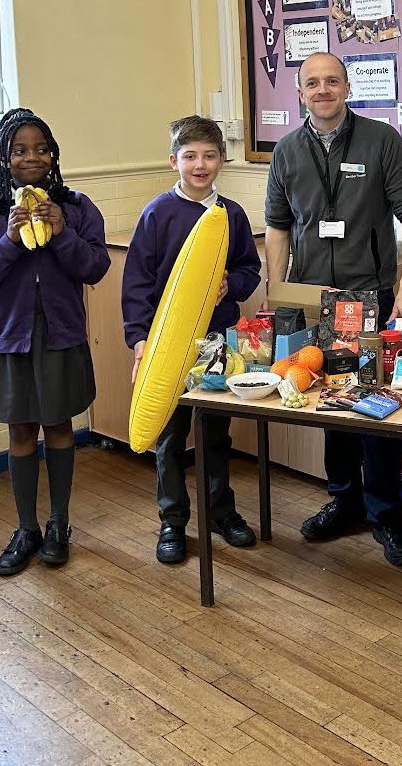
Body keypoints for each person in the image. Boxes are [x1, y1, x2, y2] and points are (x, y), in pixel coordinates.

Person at [264, 52, 402, 566]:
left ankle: (385, 514)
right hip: (316, 298)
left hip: (371, 294)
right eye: (312, 83)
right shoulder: (287, 150)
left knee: (376, 402)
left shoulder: (382, 140)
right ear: (299, 92)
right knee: (331, 398)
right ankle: (344, 501)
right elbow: (277, 225)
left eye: (332, 81)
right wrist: (279, 291)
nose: (323, 90)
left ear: (347, 86)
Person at [0, 109, 110, 576]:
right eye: (19, 150)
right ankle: (26, 528)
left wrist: (62, 235)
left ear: (54, 155)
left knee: (60, 426)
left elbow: (96, 269)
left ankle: (59, 524)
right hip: (9, 339)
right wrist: (8, 242)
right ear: (4, 158)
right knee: (21, 430)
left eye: (41, 149)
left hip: (61, 334)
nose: (32, 158)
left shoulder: (77, 208)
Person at [122, 116, 262, 564]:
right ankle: (172, 520)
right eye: (190, 156)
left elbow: (248, 269)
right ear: (174, 161)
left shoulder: (231, 215)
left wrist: (231, 286)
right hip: (166, 343)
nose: (200, 165)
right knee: (170, 434)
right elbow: (137, 284)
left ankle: (222, 512)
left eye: (209, 155)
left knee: (216, 430)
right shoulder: (158, 214)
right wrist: (140, 342)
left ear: (221, 159)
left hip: (217, 339)